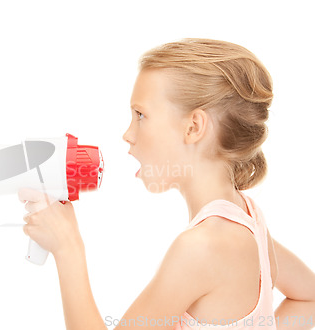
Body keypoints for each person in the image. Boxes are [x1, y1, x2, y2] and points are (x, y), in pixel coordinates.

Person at [18, 38, 315, 330]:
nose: (128, 134)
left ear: (193, 127)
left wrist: (67, 246)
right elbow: (308, 300)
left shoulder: (201, 247)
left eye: (140, 115)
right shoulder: (250, 218)